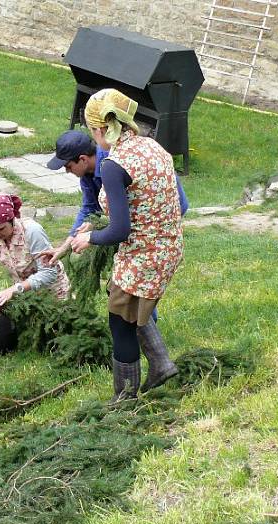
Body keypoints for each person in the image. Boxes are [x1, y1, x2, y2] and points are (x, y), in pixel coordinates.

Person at [69, 89, 184, 399]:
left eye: (93, 133)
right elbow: (148, 201)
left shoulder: (112, 165)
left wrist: (87, 238)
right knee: (124, 302)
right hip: (168, 247)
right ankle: (160, 363)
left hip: (143, 256)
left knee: (120, 323)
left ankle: (125, 398)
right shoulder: (153, 146)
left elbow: (120, 230)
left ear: (100, 129)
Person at [44, 129, 189, 261]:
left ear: (83, 159)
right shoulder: (87, 175)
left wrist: (97, 230)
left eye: (68, 167)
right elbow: (89, 209)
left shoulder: (114, 163)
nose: (67, 172)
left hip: (163, 213)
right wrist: (65, 247)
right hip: (130, 222)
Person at [0, 194, 70, 354]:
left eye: (1, 229)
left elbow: (49, 273)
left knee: (52, 346)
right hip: (23, 302)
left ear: (12, 219)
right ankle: (24, 328)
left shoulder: (32, 231)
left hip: (53, 298)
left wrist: (13, 290)